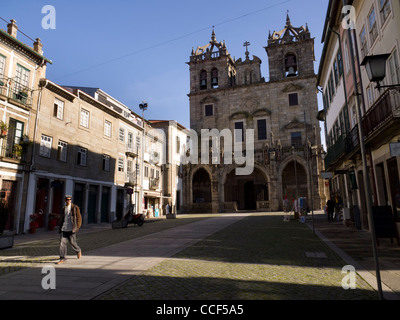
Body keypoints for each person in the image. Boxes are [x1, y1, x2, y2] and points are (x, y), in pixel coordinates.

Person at [56, 195, 82, 264]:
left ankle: (78, 250)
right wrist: (60, 226)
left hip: (71, 229)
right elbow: (62, 218)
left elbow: (79, 218)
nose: (68, 200)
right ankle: (62, 258)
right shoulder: (63, 208)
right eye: (67, 199)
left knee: (72, 242)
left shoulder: (75, 208)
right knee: (62, 244)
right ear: (65, 200)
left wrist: (77, 227)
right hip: (64, 228)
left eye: (70, 199)